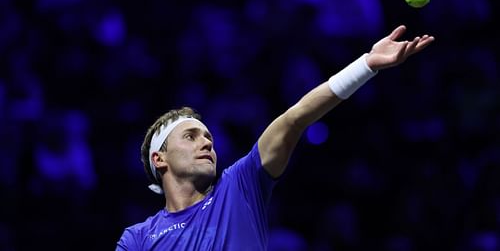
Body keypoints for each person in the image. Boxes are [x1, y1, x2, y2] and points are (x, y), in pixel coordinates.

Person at [116, 25, 434, 250]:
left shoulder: (240, 185)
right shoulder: (138, 239)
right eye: (190, 136)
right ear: (160, 159)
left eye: (208, 136)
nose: (207, 142)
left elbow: (294, 119)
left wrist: (366, 65)